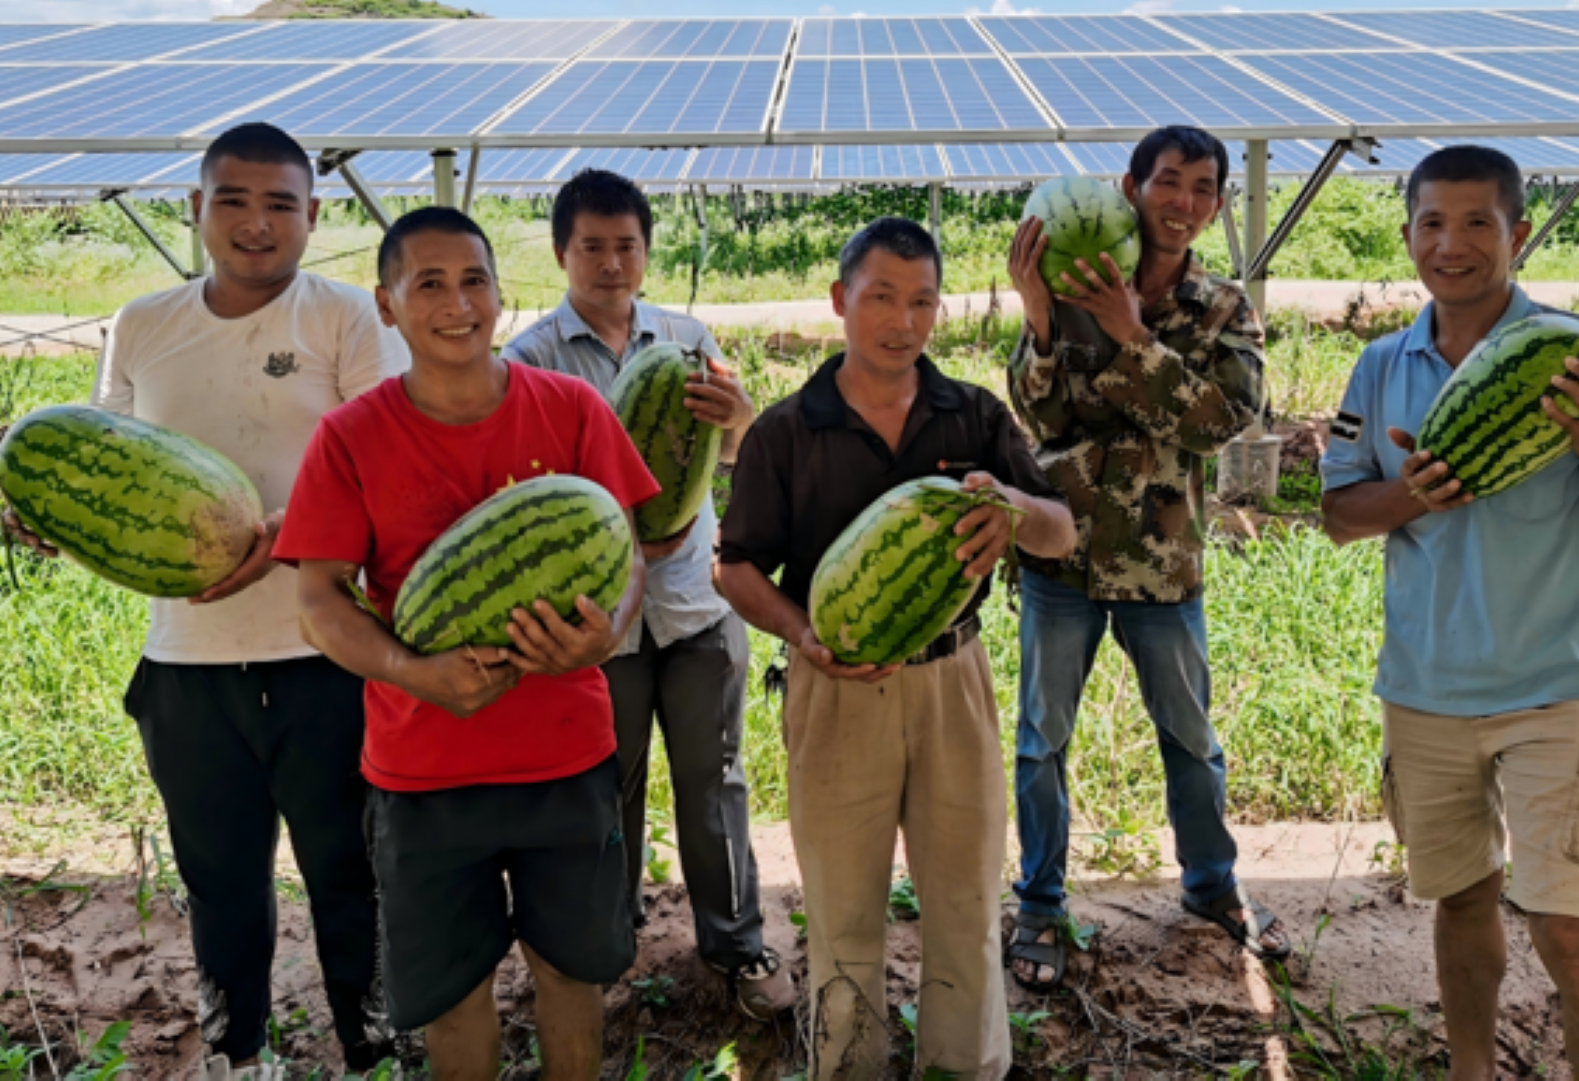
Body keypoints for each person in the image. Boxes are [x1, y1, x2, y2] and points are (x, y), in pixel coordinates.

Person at [3, 122, 406, 1078]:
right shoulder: (144, 324)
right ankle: (240, 1052)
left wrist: (278, 537)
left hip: (325, 651)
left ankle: (370, 1046)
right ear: (196, 208)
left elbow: (384, 467)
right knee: (219, 878)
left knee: (348, 869)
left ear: (315, 216)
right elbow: (104, 468)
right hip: (186, 665)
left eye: (279, 205)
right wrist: (53, 515)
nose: (256, 224)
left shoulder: (348, 319)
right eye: (233, 200)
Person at [273, 207, 656, 1079]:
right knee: (450, 994)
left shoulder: (572, 409)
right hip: (424, 769)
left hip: (564, 757)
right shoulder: (350, 436)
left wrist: (602, 637)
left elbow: (627, 552)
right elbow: (318, 601)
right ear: (387, 304)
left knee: (571, 971)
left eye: (474, 280)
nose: (458, 303)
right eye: (430, 284)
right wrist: (416, 672)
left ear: (500, 291)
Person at [1318, 145, 1579, 1078]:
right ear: (1408, 238)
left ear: (1516, 234)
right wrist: (1416, 496)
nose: (1453, 243)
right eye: (1433, 223)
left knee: (1572, 930)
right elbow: (1339, 514)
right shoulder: (1380, 366)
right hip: (1426, 690)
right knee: (1462, 899)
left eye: (1478, 223)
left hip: (1557, 688)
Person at [719, 217, 1076, 1080]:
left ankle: (967, 1065)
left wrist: (1015, 514)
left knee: (963, 896)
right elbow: (734, 569)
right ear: (841, 300)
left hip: (953, 677)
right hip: (833, 682)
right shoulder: (785, 430)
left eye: (921, 301)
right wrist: (804, 633)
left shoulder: (976, 414)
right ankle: (849, 1067)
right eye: (881, 297)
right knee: (843, 906)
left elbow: (1063, 532)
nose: (901, 320)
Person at [499, 169, 794, 1018]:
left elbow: (735, 455)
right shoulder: (530, 360)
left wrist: (741, 420)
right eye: (591, 246)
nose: (610, 263)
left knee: (717, 779)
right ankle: (605, 944)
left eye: (626, 245)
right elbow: (531, 487)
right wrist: (622, 530)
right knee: (605, 782)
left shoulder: (689, 338)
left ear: (646, 251)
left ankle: (735, 945)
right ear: (562, 252)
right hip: (599, 616)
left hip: (696, 602)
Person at [1003, 125, 1284, 990]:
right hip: (1062, 550)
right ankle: (1042, 903)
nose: (1185, 202)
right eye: (1169, 181)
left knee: (1190, 738)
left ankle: (1211, 886)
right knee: (1042, 738)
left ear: (1218, 204)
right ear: (1131, 187)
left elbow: (1218, 420)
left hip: (1164, 563)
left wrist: (1134, 337)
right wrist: (1043, 320)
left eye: (1204, 188)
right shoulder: (1074, 279)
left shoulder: (1223, 307)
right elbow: (1038, 420)